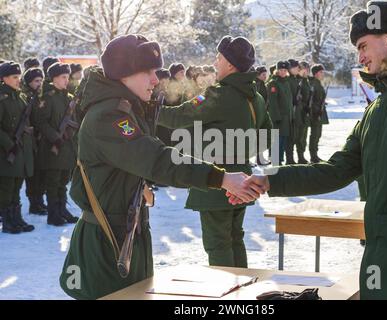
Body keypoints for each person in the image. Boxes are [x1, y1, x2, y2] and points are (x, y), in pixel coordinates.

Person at [233, 0, 387, 300]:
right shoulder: (379, 104)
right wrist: (271, 178)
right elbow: (339, 168)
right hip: (383, 252)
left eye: (363, 46)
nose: (359, 56)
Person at [59, 34, 260, 300]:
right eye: (148, 72)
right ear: (123, 74)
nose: (156, 80)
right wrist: (219, 178)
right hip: (107, 241)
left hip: (127, 233)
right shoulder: (109, 116)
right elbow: (157, 159)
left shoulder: (127, 110)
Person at [158, 35, 272, 268]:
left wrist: (151, 110)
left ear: (230, 63)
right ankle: (242, 292)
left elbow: (180, 116)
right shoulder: (256, 96)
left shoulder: (217, 94)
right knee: (235, 237)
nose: (215, 61)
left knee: (218, 243)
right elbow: (267, 134)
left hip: (217, 178)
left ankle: (227, 296)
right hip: (243, 174)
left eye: (219, 57)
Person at [37, 62, 78, 226]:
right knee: (53, 182)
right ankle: (53, 214)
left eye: (67, 77)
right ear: (53, 78)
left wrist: (71, 133)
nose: (66, 80)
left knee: (63, 181)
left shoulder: (69, 98)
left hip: (67, 147)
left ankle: (62, 209)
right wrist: (55, 137)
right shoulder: (47, 98)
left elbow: (74, 121)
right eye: (63, 77)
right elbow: (41, 122)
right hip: (52, 147)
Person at [0, 62, 35, 233]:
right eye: (14, 77)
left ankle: (17, 219)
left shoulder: (19, 97)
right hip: (6, 152)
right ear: (4, 78)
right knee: (6, 188)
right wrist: (9, 144)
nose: (17, 80)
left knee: (16, 187)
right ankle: (7, 221)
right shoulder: (2, 99)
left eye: (18, 77)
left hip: (20, 150)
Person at [21, 67, 47, 215]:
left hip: (40, 139)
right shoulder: (25, 96)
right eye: (36, 81)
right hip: (29, 141)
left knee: (41, 172)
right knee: (32, 174)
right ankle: (34, 203)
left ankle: (40, 201)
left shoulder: (41, 96)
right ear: (29, 82)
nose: (39, 83)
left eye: (41, 80)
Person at [267, 61, 292, 164]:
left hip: (286, 117)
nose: (283, 72)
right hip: (277, 117)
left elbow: (289, 100)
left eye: (285, 70)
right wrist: (276, 117)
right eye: (281, 70)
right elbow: (273, 102)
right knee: (277, 139)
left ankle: (280, 159)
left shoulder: (286, 82)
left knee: (283, 139)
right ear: (277, 71)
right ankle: (275, 160)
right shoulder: (273, 83)